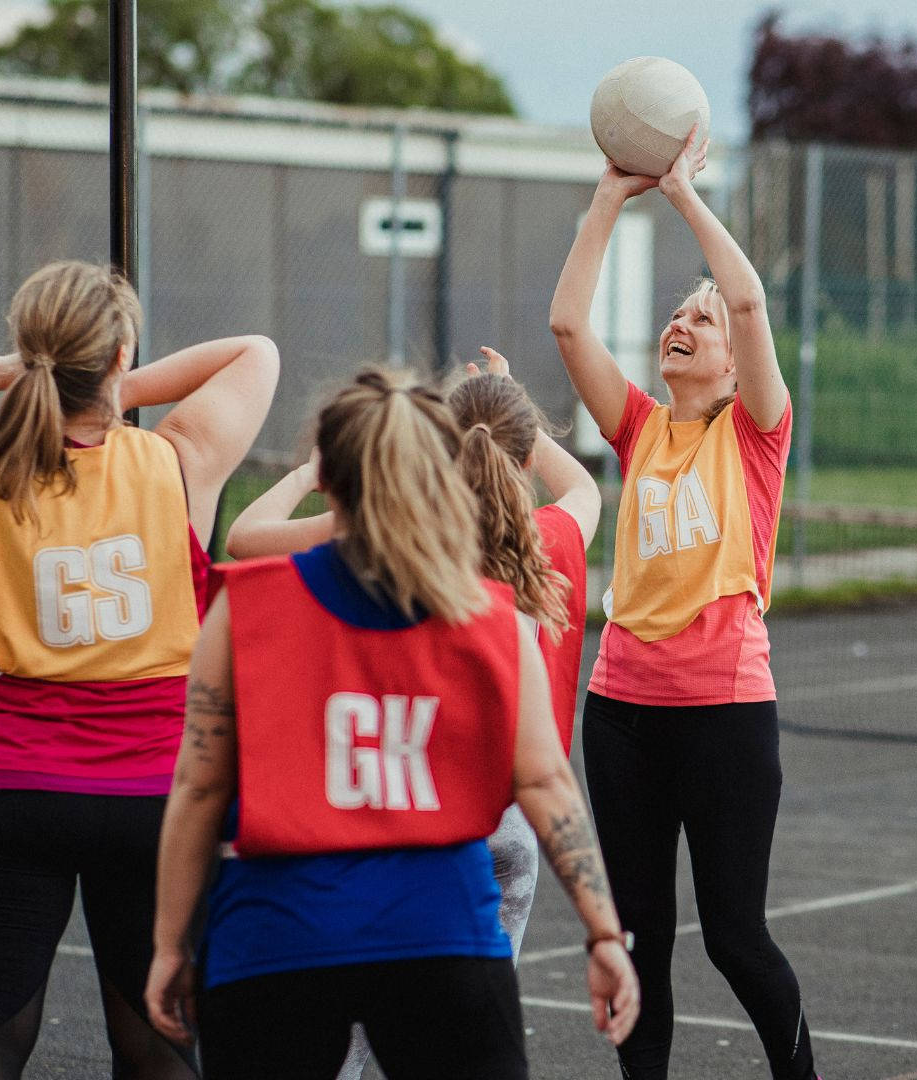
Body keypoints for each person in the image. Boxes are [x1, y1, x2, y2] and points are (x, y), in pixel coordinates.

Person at [0, 259, 279, 1078]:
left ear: (32, 356)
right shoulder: (181, 460)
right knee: (158, 1042)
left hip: (11, 794)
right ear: (118, 357)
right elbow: (255, 350)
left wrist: (21, 368)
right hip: (157, 801)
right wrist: (106, 374)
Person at [143, 366, 637, 1080]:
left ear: (331, 483)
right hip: (439, 931)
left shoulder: (248, 605)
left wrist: (168, 944)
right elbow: (546, 785)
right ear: (434, 479)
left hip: (278, 933)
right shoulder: (489, 620)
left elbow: (197, 787)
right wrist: (603, 933)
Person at [550, 128, 819, 1079]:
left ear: (739, 366)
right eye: (678, 315)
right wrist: (608, 201)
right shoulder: (640, 428)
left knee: (735, 938)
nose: (686, 323)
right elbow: (569, 327)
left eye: (700, 325)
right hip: (622, 709)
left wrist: (681, 195)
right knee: (638, 938)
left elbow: (744, 296)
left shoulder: (755, 435)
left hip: (724, 710)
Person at [224, 345, 599, 959]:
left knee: (363, 1013)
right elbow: (584, 486)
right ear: (527, 458)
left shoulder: (389, 532)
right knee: (473, 1026)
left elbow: (244, 538)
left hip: (416, 798)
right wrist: (514, 402)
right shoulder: (548, 538)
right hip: (510, 815)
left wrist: (310, 473)